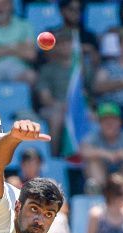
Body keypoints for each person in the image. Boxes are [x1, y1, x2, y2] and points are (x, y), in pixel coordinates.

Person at [80, 101, 123, 194]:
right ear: (100, 123)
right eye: (105, 120)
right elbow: (83, 151)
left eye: (113, 120)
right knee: (93, 161)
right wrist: (104, 153)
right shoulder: (93, 136)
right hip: (103, 178)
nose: (109, 123)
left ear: (119, 121)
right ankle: (97, 193)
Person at [36, 27, 73, 156]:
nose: (65, 47)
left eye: (68, 43)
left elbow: (88, 93)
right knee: (56, 117)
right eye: (61, 43)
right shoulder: (47, 69)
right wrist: (61, 106)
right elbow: (44, 98)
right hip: (54, 107)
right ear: (55, 47)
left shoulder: (81, 68)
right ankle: (55, 157)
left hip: (77, 107)